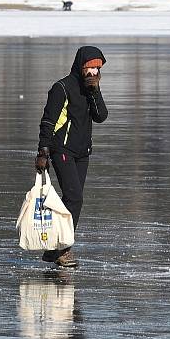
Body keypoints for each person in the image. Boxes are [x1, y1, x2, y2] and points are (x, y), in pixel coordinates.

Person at [35, 46, 108, 268]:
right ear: (81, 66)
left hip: (82, 153)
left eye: (97, 68)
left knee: (71, 201)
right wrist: (43, 151)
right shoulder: (62, 88)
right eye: (90, 67)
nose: (94, 72)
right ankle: (63, 250)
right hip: (62, 150)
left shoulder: (91, 88)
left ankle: (54, 249)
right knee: (75, 197)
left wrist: (94, 91)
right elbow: (48, 120)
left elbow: (101, 116)